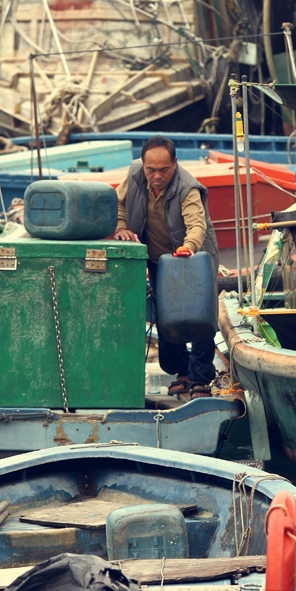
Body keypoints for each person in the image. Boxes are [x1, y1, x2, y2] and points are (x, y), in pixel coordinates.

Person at [114, 135, 219, 399]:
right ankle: (182, 373)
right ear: (143, 164)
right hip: (158, 258)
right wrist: (121, 227)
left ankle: (200, 377)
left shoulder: (187, 188)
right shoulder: (135, 174)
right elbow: (118, 203)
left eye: (163, 169)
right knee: (166, 315)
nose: (156, 176)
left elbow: (197, 225)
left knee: (200, 316)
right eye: (151, 170)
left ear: (175, 163)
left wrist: (189, 246)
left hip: (194, 257)